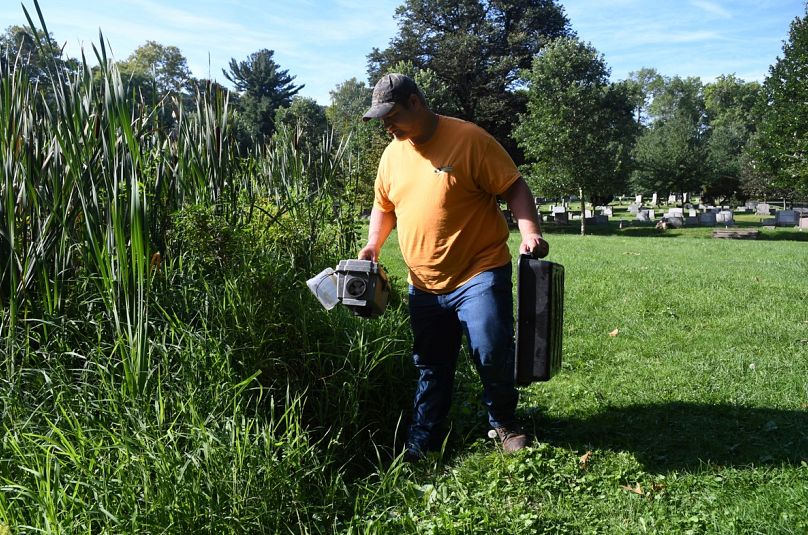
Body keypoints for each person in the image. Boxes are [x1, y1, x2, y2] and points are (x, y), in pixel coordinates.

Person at [358, 73, 549, 459]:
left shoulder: (469, 139)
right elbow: (384, 206)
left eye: (391, 114)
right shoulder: (392, 154)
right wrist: (372, 245)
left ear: (415, 102)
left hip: (479, 270)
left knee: (491, 350)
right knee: (431, 364)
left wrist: (530, 232)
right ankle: (422, 441)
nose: (386, 125)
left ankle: (504, 423)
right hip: (423, 283)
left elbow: (513, 185)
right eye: (380, 118)